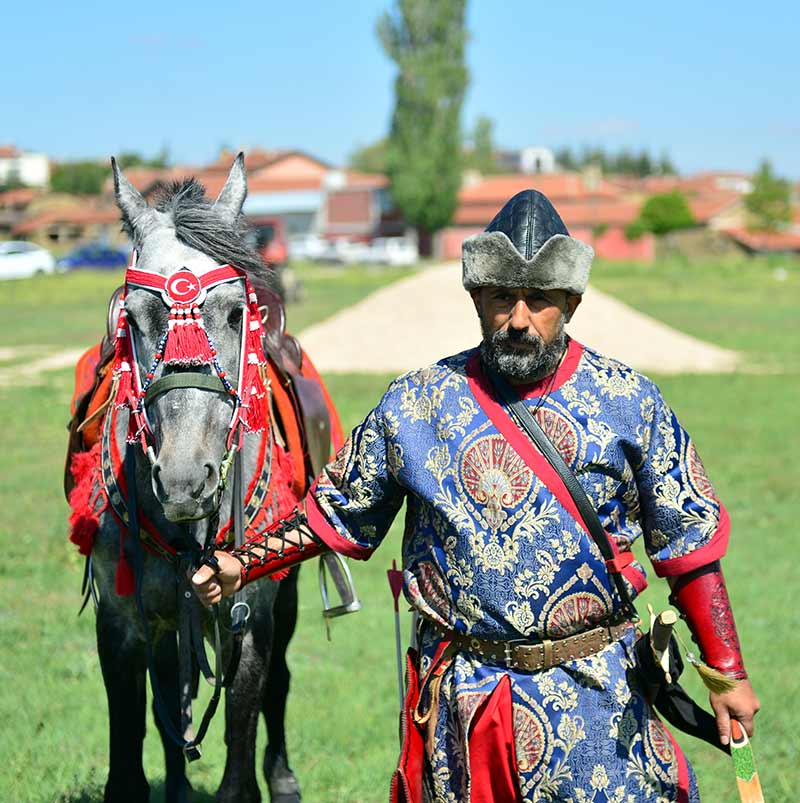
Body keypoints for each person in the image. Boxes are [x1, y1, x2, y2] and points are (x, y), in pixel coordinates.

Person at [192, 190, 759, 802]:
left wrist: (726, 673)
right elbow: (337, 512)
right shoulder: (416, 403)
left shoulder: (630, 402)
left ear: (570, 302)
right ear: (476, 300)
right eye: (500, 299)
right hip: (464, 706)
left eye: (539, 300)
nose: (518, 319)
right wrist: (241, 563)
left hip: (600, 702)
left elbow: (690, 545)